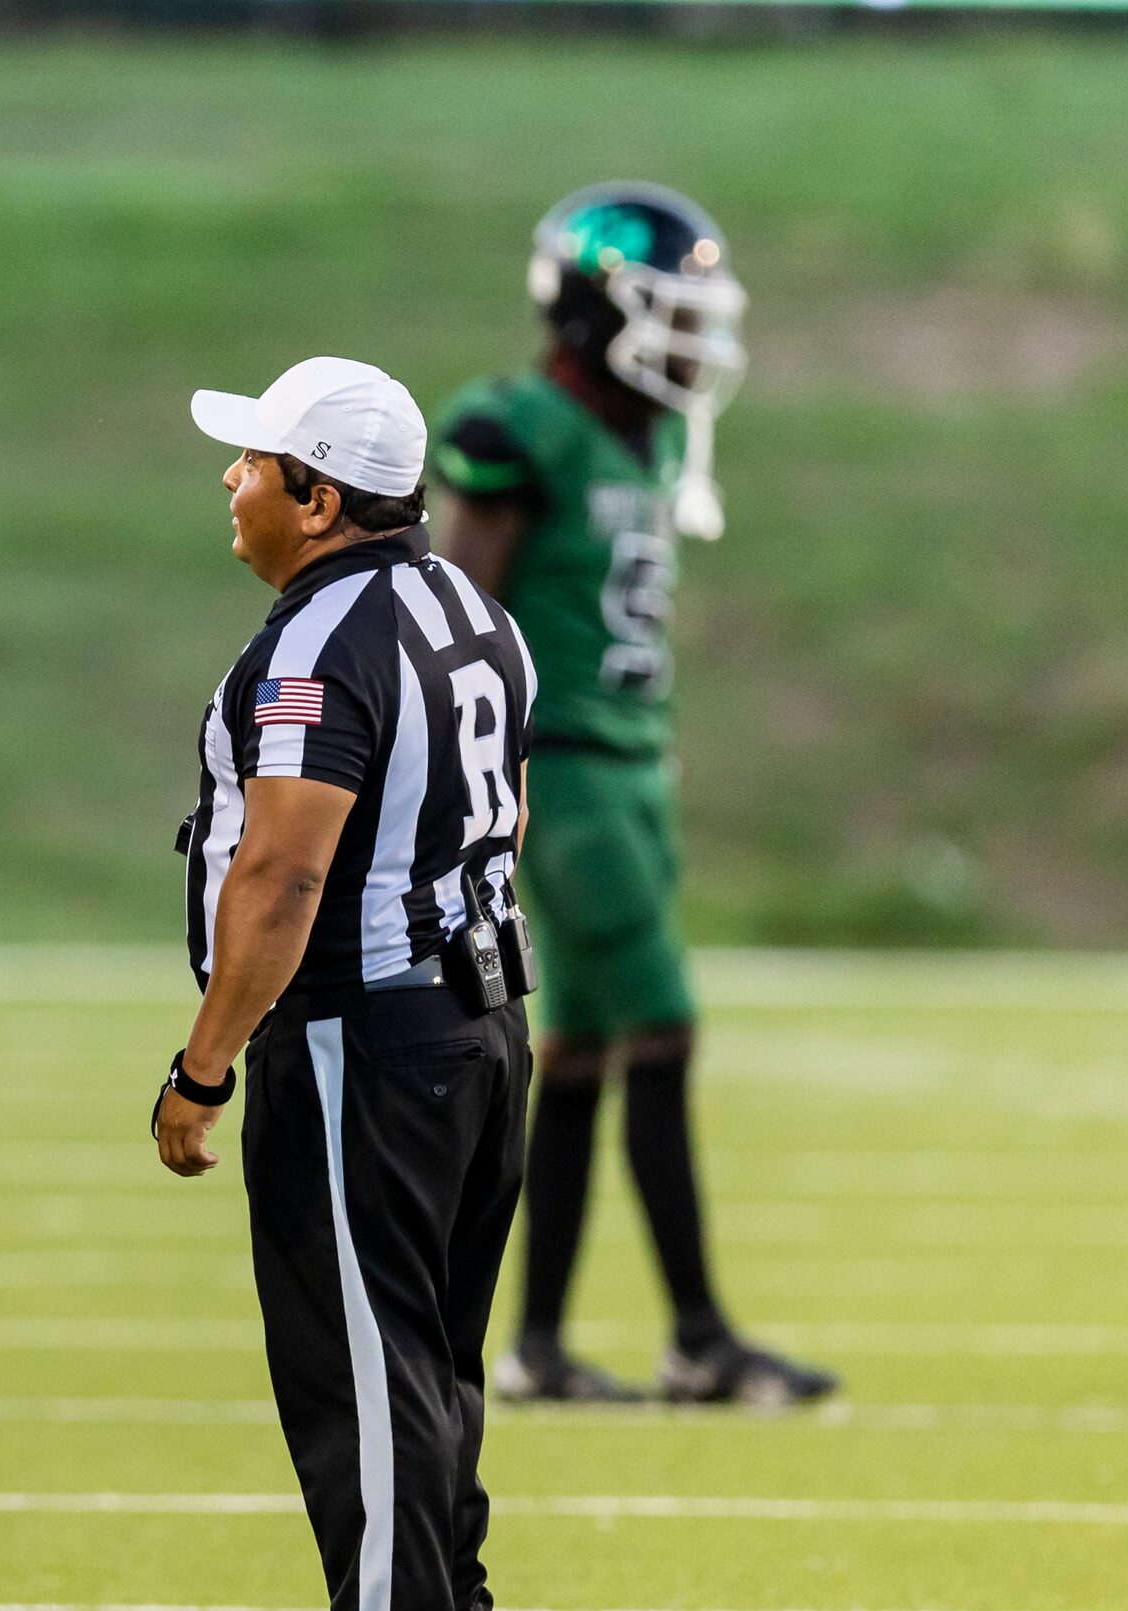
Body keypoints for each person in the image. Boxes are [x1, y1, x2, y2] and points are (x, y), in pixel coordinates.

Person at [156, 357, 539, 1611]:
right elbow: (505, 811)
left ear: (317, 498)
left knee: (362, 1365)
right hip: (483, 1017)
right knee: (428, 1356)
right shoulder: (471, 613)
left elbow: (279, 871)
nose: (231, 483)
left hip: (362, 1032)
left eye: (253, 462)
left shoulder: (322, 640)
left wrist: (204, 1064)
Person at [430, 183, 836, 1409]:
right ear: (591, 307)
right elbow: (456, 614)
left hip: (628, 760)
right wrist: (476, 777)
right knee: (660, 1025)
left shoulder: (645, 437)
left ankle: (540, 1345)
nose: (690, 342)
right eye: (668, 312)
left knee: (588, 1049)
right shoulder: (521, 429)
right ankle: (699, 1337)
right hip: (558, 765)